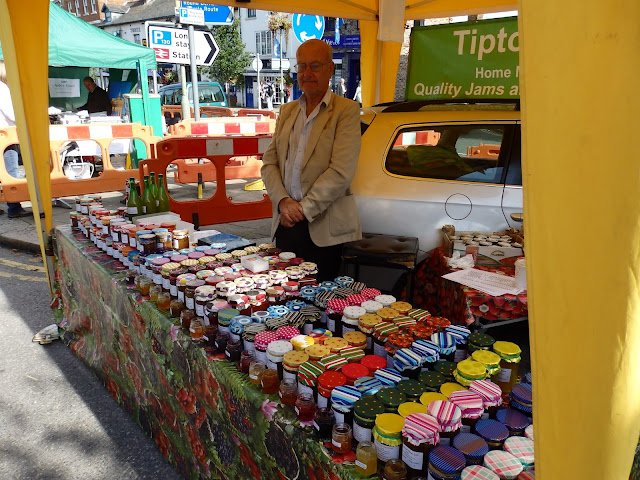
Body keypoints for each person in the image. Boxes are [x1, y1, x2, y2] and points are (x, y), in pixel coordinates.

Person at [261, 39, 362, 281]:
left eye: (315, 66)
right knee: (284, 293)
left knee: (319, 296)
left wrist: (301, 209)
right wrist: (283, 201)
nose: (307, 73)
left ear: (330, 69)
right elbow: (269, 163)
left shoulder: (346, 111)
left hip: (323, 227)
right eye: (301, 66)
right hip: (286, 222)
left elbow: (341, 172)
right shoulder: (287, 111)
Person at [0, 61, 30, 218]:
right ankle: (14, 208)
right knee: (11, 172)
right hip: (6, 135)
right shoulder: (3, 88)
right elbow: (11, 114)